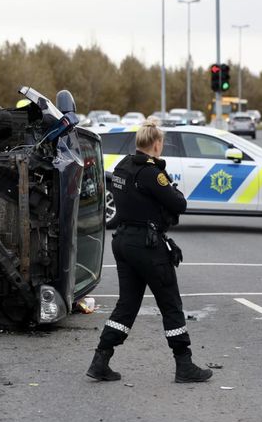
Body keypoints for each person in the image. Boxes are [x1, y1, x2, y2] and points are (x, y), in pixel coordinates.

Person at [87, 121, 212, 383]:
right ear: (156, 144)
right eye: (161, 143)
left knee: (127, 304)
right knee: (170, 303)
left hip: (122, 241)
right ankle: (184, 365)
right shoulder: (151, 173)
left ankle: (101, 359)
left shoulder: (122, 166)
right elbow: (179, 204)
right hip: (147, 245)